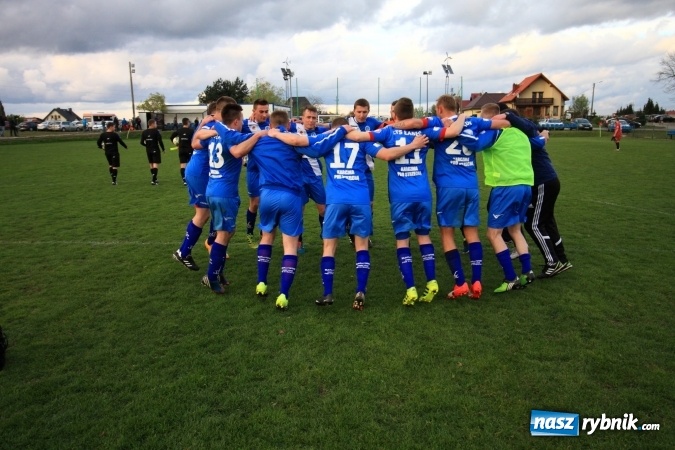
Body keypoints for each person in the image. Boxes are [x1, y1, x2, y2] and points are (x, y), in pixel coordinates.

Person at [273, 118, 429, 310]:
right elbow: (388, 155)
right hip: (360, 199)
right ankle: (360, 291)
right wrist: (412, 145)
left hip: (336, 200)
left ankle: (328, 293)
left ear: (334, 129)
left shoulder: (328, 142)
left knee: (329, 247)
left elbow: (301, 146)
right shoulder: (361, 141)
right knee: (361, 246)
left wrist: (276, 136)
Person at [391, 94, 508, 300]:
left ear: (440, 109)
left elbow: (412, 124)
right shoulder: (473, 122)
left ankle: (460, 283)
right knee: (471, 232)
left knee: (447, 233)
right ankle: (477, 281)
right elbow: (503, 123)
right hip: (471, 185)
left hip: (448, 186)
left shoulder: (437, 124)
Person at [252, 110, 349, 311]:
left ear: (270, 124)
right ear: (288, 125)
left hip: (267, 195)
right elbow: (317, 147)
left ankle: (261, 282)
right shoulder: (292, 141)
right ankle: (283, 294)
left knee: (266, 237)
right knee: (290, 246)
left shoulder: (258, 141)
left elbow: (240, 154)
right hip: (290, 196)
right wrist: (340, 131)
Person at [459, 103, 535, 293]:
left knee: (493, 234)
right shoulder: (520, 133)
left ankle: (510, 277)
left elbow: (475, 144)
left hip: (506, 186)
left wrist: (458, 128)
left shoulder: (496, 132)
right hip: (526, 185)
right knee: (515, 229)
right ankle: (527, 271)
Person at [193, 103, 266, 294]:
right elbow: (237, 152)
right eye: (241, 120)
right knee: (224, 235)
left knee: (226, 232)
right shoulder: (231, 137)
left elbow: (197, 140)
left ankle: (217, 272)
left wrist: (210, 130)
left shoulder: (215, 135)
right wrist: (258, 135)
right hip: (224, 193)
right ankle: (211, 277)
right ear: (235, 121)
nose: (242, 123)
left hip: (212, 189)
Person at [498, 110, 573, 277]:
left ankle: (553, 262)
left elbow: (531, 134)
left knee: (533, 224)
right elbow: (534, 128)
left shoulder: (522, 136)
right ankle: (562, 259)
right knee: (547, 222)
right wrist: (543, 134)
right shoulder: (527, 132)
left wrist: (508, 115)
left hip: (542, 182)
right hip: (548, 181)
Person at [173, 97, 236, 273]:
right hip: (200, 172)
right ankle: (185, 251)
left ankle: (207, 244)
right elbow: (195, 143)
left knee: (208, 210)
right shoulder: (212, 125)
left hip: (200, 171)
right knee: (204, 212)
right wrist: (210, 128)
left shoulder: (211, 123)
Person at [346, 98, 382, 246]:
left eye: (364, 112)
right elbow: (329, 127)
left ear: (368, 111)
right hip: (350, 171)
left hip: (366, 170)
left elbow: (389, 126)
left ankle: (364, 233)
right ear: (354, 111)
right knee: (352, 204)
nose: (361, 115)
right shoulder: (347, 123)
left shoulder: (372, 122)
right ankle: (354, 233)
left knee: (369, 204)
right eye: (359, 112)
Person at [294, 105, 330, 254]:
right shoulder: (294, 129)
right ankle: (298, 241)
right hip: (298, 178)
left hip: (315, 177)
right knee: (299, 211)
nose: (311, 120)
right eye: (308, 117)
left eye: (314, 118)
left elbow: (335, 126)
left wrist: (322, 124)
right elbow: (275, 123)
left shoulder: (320, 131)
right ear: (302, 118)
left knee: (323, 210)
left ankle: (325, 237)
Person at [241, 99, 271, 249]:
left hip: (269, 171)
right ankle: (249, 233)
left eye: (266, 111)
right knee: (255, 203)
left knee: (267, 202)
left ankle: (263, 233)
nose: (264, 114)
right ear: (253, 111)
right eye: (261, 111)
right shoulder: (245, 125)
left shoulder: (272, 123)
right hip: (253, 169)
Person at [170, 118, 195, 185]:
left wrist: (177, 144)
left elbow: (171, 137)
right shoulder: (191, 131)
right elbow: (194, 139)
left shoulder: (179, 130)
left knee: (182, 165)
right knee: (190, 165)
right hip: (189, 150)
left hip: (181, 150)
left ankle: (184, 180)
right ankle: (189, 179)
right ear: (187, 122)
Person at [140, 118, 165, 185]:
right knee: (155, 163)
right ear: (152, 124)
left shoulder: (144, 132)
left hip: (148, 150)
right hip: (155, 149)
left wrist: (147, 145)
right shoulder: (156, 132)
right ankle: (153, 180)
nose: (156, 124)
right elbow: (160, 141)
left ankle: (155, 178)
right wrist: (163, 149)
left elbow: (141, 142)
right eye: (155, 123)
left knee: (151, 163)